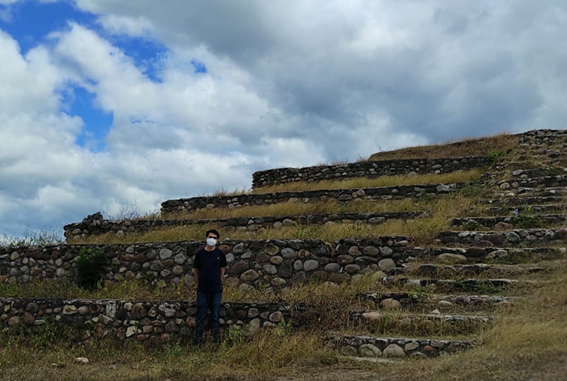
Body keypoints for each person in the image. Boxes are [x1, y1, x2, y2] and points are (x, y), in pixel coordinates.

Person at [192, 229, 227, 345]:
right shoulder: (200, 254)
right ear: (206, 238)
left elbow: (222, 269)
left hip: (216, 290)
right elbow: (195, 270)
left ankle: (215, 341)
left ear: (217, 240)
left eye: (214, 238)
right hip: (202, 290)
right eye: (210, 237)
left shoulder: (220, 254)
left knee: (215, 317)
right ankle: (198, 341)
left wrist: (220, 281)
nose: (212, 239)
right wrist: (197, 284)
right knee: (200, 316)